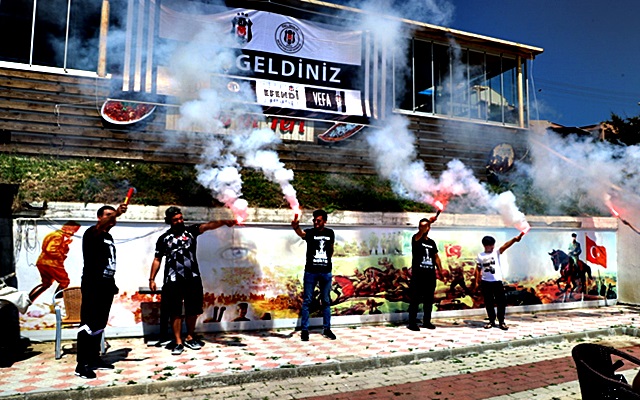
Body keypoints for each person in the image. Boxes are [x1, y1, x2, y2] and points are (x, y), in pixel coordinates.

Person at [148, 207, 235, 356]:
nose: (179, 221)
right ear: (169, 221)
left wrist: (223, 221)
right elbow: (157, 259)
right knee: (175, 311)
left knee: (193, 309)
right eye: (175, 220)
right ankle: (178, 341)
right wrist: (152, 279)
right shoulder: (163, 239)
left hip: (192, 278)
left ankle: (190, 337)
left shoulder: (190, 231)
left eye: (180, 218)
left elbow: (208, 226)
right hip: (173, 279)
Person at [75, 204, 127, 379]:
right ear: (99, 218)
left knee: (99, 325)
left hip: (106, 286)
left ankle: (94, 358)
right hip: (93, 285)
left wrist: (112, 284)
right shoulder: (92, 233)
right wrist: (117, 213)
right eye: (108, 215)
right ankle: (81, 365)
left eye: (113, 216)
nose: (112, 218)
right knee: (88, 324)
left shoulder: (108, 237)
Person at [291, 209, 336, 341]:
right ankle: (305, 330)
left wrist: (326, 261)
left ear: (324, 221)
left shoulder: (330, 233)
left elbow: (331, 249)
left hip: (325, 272)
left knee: (326, 301)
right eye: (314, 220)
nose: (316, 222)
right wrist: (296, 227)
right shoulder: (310, 232)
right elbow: (301, 233)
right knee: (307, 301)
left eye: (319, 220)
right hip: (311, 272)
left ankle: (327, 328)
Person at [475, 232, 524, 331]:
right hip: (485, 282)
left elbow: (506, 246)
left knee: (501, 302)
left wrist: (514, 239)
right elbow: (478, 269)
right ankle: (491, 321)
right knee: (489, 302)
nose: (492, 247)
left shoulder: (496, 252)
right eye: (490, 245)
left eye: (493, 245)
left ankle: (501, 321)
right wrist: (476, 282)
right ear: (485, 245)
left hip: (497, 281)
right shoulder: (480, 256)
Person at [29, 221, 81, 302]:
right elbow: (51, 250)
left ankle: (29, 299)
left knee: (46, 284)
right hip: (52, 264)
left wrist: (65, 244)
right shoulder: (58, 236)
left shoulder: (55, 235)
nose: (73, 234)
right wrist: (60, 257)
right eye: (73, 231)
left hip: (42, 263)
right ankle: (57, 301)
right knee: (64, 281)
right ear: (66, 228)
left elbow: (56, 248)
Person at [407, 217, 443, 331]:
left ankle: (426, 321)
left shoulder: (431, 242)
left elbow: (436, 257)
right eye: (421, 226)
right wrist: (429, 222)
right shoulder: (416, 239)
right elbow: (421, 233)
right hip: (418, 276)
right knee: (415, 300)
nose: (424, 228)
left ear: (429, 228)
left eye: (426, 226)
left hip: (430, 276)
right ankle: (412, 323)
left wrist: (441, 271)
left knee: (429, 300)